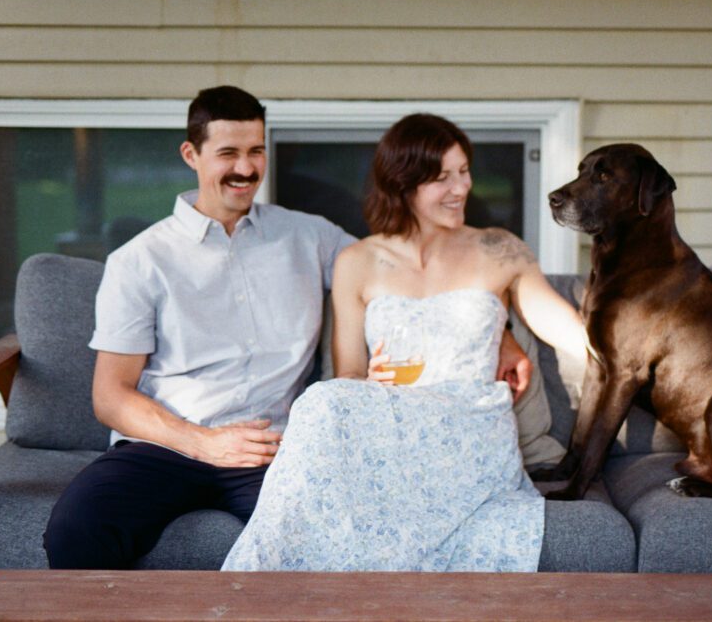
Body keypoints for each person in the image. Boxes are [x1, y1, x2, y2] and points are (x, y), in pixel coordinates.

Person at [43, 87, 530, 569]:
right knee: (76, 530)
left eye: (256, 151)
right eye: (228, 153)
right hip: (167, 448)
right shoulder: (139, 261)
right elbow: (110, 397)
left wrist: (497, 330)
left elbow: (405, 278)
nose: (246, 168)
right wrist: (203, 442)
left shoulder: (310, 236)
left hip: (279, 452)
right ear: (191, 154)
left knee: (343, 548)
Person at [222, 113, 589, 572]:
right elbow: (350, 374)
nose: (461, 189)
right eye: (441, 178)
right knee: (321, 402)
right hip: (393, 424)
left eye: (464, 171)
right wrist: (368, 389)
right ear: (403, 184)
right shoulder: (358, 261)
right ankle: (265, 590)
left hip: (469, 426)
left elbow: (571, 333)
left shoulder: (500, 250)